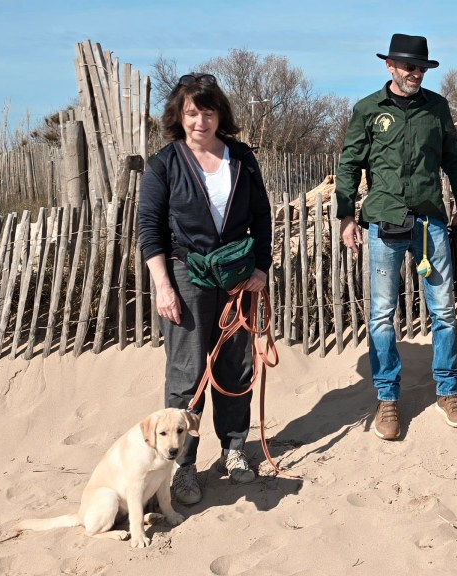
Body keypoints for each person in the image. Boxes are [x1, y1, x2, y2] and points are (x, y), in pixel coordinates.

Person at [138, 73, 273, 503]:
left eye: (208, 112)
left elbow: (263, 217)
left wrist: (262, 268)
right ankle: (183, 466)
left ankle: (234, 450)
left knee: (235, 369)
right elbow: (149, 231)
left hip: (237, 276)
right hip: (186, 275)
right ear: (179, 115)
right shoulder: (164, 164)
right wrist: (163, 286)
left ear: (220, 114)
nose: (200, 121)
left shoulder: (242, 158)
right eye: (191, 112)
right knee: (187, 375)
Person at [336, 33, 457, 441]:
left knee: (445, 312)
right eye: (408, 66)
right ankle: (387, 398)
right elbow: (349, 166)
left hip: (430, 223)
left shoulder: (437, 108)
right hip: (383, 223)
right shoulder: (368, 110)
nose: (415, 73)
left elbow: (455, 163)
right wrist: (346, 215)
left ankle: (449, 392)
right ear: (390, 66)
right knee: (382, 315)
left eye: (421, 67)